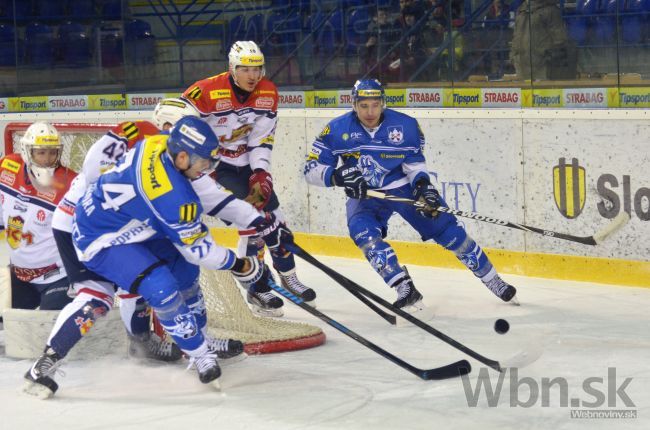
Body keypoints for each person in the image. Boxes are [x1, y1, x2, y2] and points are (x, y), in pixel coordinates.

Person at [24, 116, 293, 397]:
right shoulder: (170, 194)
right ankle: (198, 353)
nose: (208, 169)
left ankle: (199, 341)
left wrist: (260, 221)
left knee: (185, 270)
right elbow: (199, 248)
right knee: (135, 290)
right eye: (205, 162)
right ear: (182, 157)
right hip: (99, 237)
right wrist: (241, 264)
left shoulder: (160, 144)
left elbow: (212, 196)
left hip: (132, 224)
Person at [303, 79, 518, 311]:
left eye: (375, 105)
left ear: (383, 103)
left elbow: (414, 165)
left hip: (402, 187)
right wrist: (337, 176)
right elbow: (310, 170)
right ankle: (404, 287)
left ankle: (492, 278)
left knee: (450, 232)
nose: (370, 112)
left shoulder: (406, 126)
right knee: (362, 233)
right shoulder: (336, 130)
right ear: (354, 105)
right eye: (363, 106)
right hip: (365, 194)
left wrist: (423, 187)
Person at [181, 40, 315, 317]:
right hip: (214, 165)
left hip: (246, 164)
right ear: (232, 68)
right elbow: (179, 127)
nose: (253, 75)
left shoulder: (268, 92)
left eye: (258, 69)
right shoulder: (204, 92)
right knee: (250, 221)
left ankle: (287, 276)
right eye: (246, 69)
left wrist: (260, 172)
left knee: (276, 221)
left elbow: (261, 139)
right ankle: (256, 285)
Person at [49, 120, 183, 362]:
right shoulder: (139, 140)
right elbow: (93, 169)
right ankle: (49, 358)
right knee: (98, 294)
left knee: (140, 278)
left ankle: (140, 344)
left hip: (108, 225)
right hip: (79, 225)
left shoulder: (164, 151)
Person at [0, 122, 75, 312]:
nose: (48, 159)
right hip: (18, 275)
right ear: (27, 152)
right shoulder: (8, 167)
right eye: (41, 152)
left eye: (53, 152)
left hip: (58, 276)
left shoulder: (70, 184)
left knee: (47, 327)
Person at [510, 0, 575, 80]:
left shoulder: (551, 10)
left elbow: (560, 40)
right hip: (521, 67)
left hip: (543, 68)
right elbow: (516, 35)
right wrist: (513, 56)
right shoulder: (521, 10)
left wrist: (548, 60)